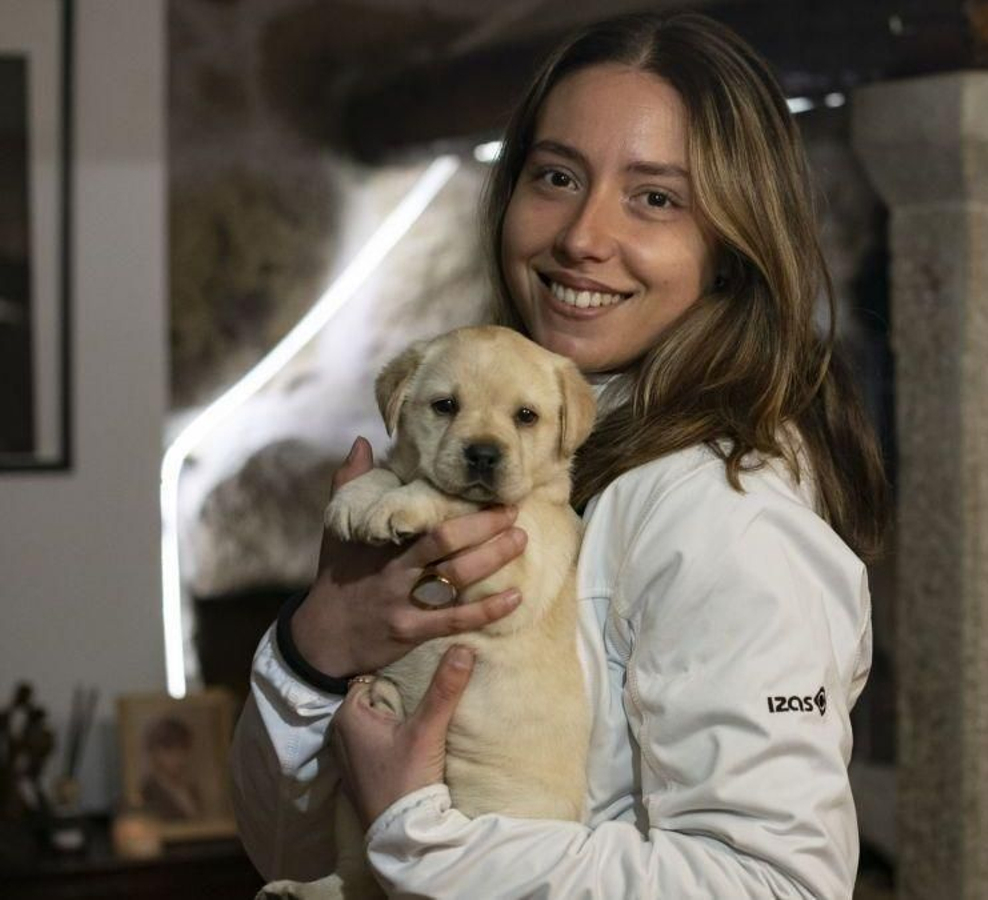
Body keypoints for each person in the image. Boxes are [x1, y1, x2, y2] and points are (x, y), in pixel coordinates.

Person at [229, 11, 889, 898]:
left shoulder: (728, 515)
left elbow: (778, 886)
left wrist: (420, 834)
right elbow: (289, 852)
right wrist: (317, 648)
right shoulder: (516, 457)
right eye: (556, 176)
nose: (582, 235)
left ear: (731, 247)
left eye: (655, 197)